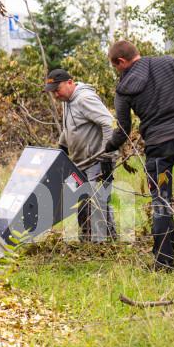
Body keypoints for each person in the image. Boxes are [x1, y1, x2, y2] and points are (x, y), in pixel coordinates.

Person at [102, 40, 174, 270]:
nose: (117, 71)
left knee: (161, 202)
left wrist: (107, 148)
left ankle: (164, 262)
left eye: (115, 66)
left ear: (121, 62)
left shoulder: (123, 89)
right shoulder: (169, 62)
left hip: (158, 147)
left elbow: (122, 129)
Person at [44, 68, 117, 242]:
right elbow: (70, 127)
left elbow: (109, 123)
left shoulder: (85, 99)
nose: (55, 94)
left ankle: (102, 243)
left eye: (57, 89)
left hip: (97, 160)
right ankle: (89, 239)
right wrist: (62, 145)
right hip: (80, 162)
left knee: (95, 202)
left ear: (70, 82)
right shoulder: (66, 100)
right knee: (80, 200)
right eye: (52, 91)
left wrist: (107, 156)